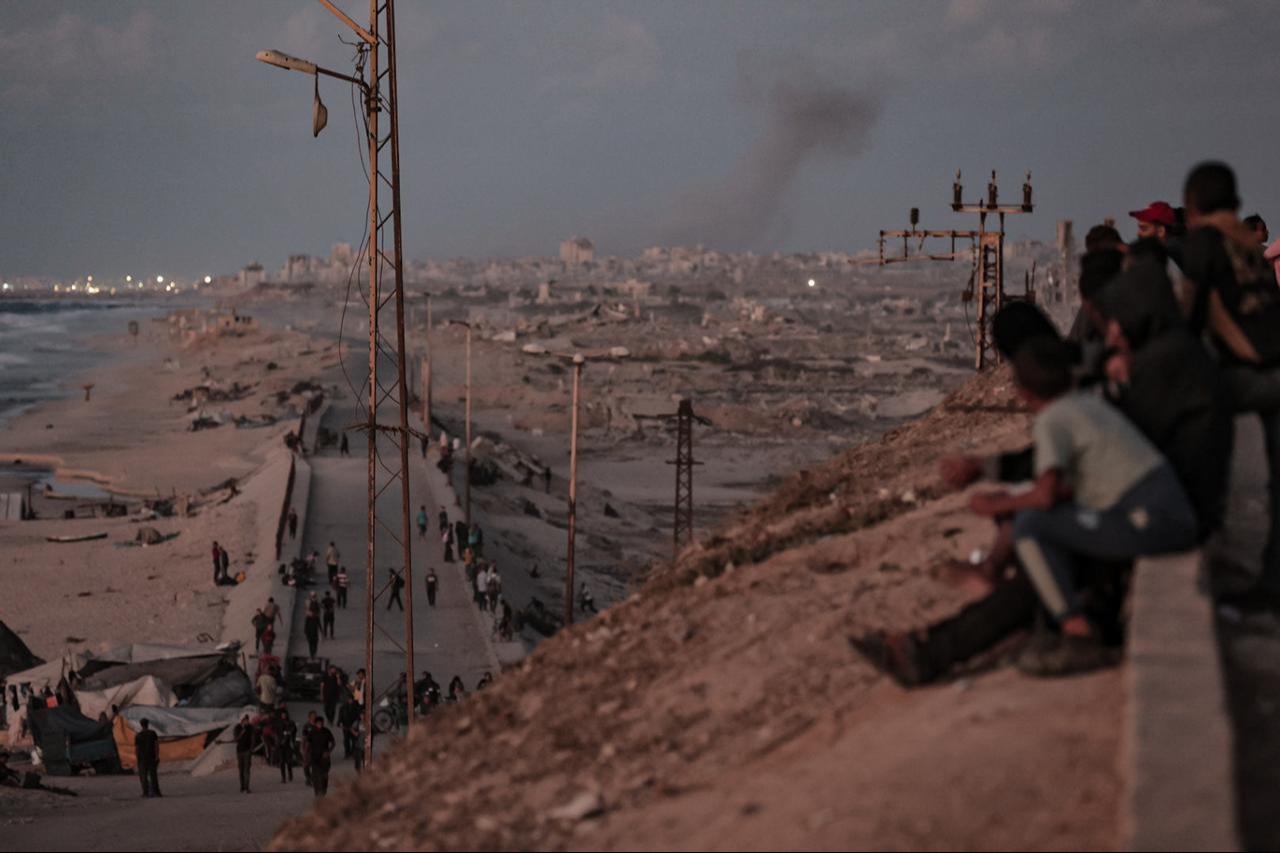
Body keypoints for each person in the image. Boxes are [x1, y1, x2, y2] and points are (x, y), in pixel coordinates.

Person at [978, 338, 1196, 673]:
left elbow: (1045, 495)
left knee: (1030, 525)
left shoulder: (1053, 420)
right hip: (1167, 513)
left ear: (1024, 394)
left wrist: (995, 505)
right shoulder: (1086, 404)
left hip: (1151, 521)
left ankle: (1077, 633)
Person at [1181, 161, 1280, 609]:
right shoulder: (1251, 244)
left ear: (1193, 206)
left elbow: (1189, 318)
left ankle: (1200, 528)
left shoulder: (1205, 244)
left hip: (1248, 374)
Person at [306, 716, 336, 797]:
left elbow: (333, 743)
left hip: (324, 757)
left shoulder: (326, 731)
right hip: (314, 756)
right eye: (318, 723)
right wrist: (307, 754)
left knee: (324, 775)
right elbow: (308, 744)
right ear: (315, 724)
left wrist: (329, 752)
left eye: (321, 723)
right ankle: (317, 793)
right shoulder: (312, 732)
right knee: (315, 776)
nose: (320, 724)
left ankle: (323, 791)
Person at [135, 718, 161, 798]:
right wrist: (157, 756)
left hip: (142, 759)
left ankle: (145, 793)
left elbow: (137, 748)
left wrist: (137, 758)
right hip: (151, 757)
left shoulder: (138, 735)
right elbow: (156, 745)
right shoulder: (153, 733)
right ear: (147, 724)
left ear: (141, 725)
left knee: (143, 776)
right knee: (153, 775)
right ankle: (156, 792)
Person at [234, 715, 256, 793]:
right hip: (239, 751)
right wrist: (242, 731)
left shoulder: (250, 727)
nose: (246, 721)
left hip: (247, 751)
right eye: (245, 720)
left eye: (247, 720)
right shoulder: (237, 728)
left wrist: (251, 748)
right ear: (242, 720)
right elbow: (236, 739)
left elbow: (253, 738)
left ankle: (247, 787)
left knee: (247, 770)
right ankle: (242, 786)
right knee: (241, 770)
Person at [277, 708, 297, 783]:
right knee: (282, 762)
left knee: (289, 761)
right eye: (282, 715)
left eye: (284, 714)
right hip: (281, 744)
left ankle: (290, 775)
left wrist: (289, 733)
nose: (283, 716)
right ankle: (283, 777)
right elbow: (277, 732)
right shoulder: (279, 723)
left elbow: (294, 731)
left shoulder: (291, 722)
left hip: (288, 744)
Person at [304, 593, 321, 658]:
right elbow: (306, 625)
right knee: (312, 644)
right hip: (311, 634)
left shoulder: (314, 617)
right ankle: (312, 654)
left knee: (314, 644)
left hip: (314, 634)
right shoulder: (309, 617)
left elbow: (319, 624)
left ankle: (313, 654)